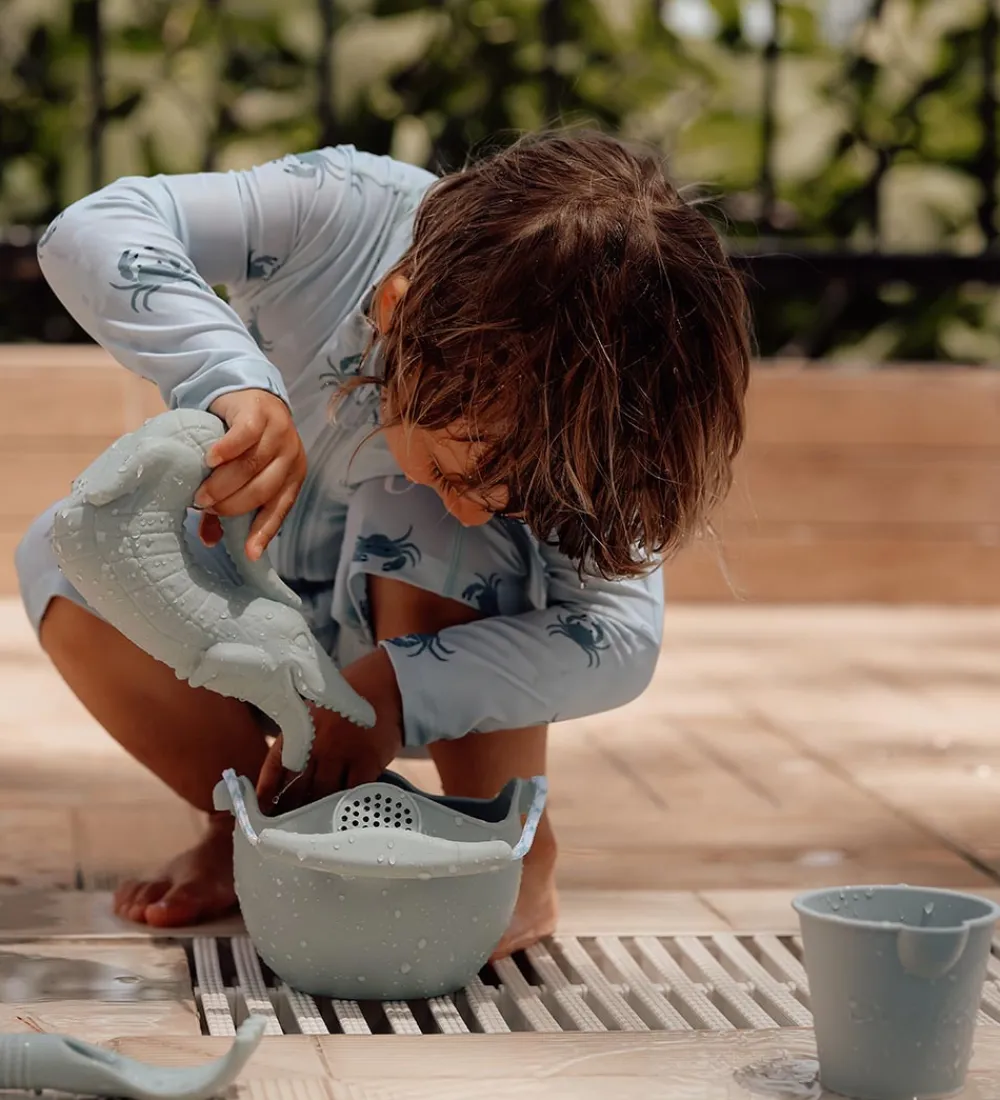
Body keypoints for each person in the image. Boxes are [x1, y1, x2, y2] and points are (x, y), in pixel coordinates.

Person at [16, 129, 750, 957]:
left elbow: (623, 635)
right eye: (463, 467)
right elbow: (87, 228)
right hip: (261, 636)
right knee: (63, 560)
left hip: (443, 672)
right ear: (398, 313)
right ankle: (252, 830)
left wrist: (403, 683)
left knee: (434, 524)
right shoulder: (338, 210)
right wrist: (228, 377)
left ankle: (499, 849)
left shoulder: (596, 417)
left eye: (520, 499)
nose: (479, 510)